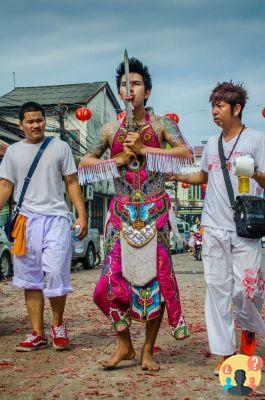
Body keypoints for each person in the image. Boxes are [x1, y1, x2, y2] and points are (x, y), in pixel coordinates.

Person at [79, 57, 193, 371]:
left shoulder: (162, 125)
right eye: (124, 86)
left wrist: (146, 151)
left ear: (148, 91)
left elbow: (184, 154)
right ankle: (125, 345)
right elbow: (85, 163)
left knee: (154, 284)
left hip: (155, 212)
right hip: (120, 215)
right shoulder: (109, 128)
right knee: (108, 285)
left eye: (136, 84)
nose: (130, 91)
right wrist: (118, 160)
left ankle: (147, 351)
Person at [171, 81, 265, 375]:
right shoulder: (212, 144)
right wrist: (175, 175)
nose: (214, 111)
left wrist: (254, 171)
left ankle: (249, 328)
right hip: (213, 225)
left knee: (247, 290)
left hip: (245, 227)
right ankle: (225, 351)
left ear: (237, 109)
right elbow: (203, 176)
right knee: (217, 289)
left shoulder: (257, 139)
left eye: (220, 105)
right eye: (212, 105)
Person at [0, 102, 87, 351]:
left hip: (57, 219)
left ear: (44, 121)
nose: (35, 125)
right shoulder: (13, 152)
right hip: (25, 222)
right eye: (30, 121)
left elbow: (71, 181)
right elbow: (5, 186)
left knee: (56, 271)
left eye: (39, 120)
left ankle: (58, 325)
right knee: (30, 278)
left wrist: (81, 215)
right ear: (21, 125)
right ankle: (37, 333)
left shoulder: (60, 147)